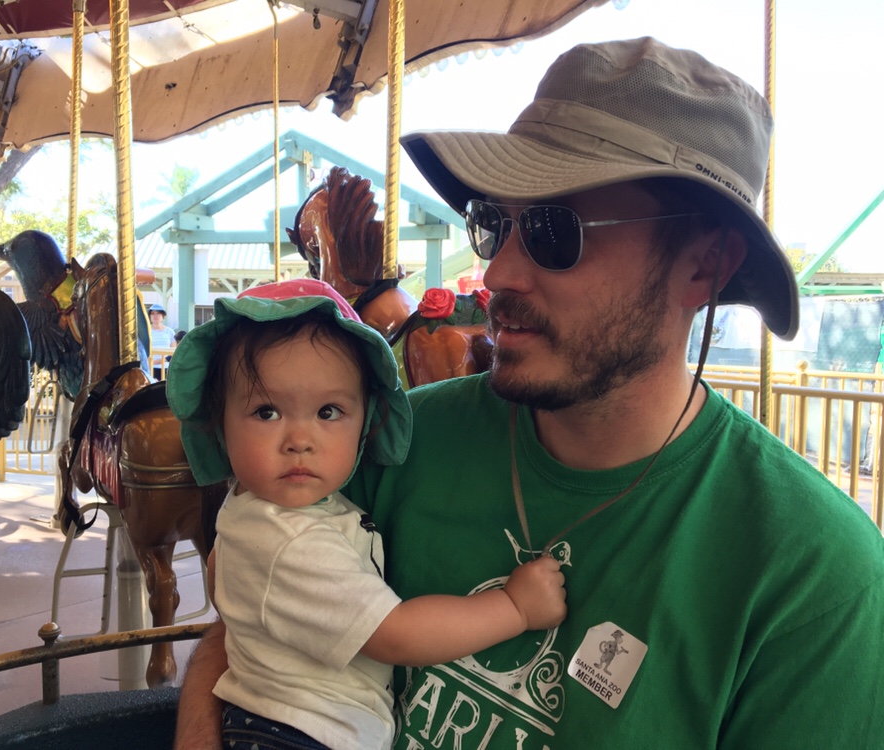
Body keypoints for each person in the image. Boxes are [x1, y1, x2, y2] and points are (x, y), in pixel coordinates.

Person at [175, 38, 884, 749]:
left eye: (553, 232)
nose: (498, 274)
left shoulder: (812, 577)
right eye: (495, 224)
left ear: (705, 266)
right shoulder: (391, 440)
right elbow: (251, 639)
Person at [167, 279, 566, 750]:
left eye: (328, 412)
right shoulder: (292, 539)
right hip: (301, 735)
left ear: (366, 422)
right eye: (266, 412)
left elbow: (220, 576)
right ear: (220, 426)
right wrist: (514, 608)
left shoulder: (262, 514)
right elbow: (396, 636)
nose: (299, 440)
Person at [147, 303, 176, 379]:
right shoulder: (146, 332)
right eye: (153, 313)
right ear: (149, 316)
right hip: (149, 369)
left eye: (158, 313)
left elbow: (173, 352)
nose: (155, 316)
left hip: (166, 369)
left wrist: (157, 361)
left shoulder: (170, 332)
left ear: (163, 316)